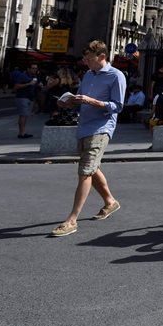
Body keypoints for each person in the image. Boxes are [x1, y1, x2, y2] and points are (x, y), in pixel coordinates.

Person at [50, 41, 126, 238]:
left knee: (85, 171)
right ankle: (110, 202)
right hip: (84, 126)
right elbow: (81, 100)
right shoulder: (88, 75)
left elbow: (118, 106)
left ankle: (72, 220)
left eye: (88, 58)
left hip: (101, 128)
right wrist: (69, 103)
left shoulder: (116, 76)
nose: (84, 61)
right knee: (92, 168)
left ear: (101, 56)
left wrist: (93, 101)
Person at [11, 62, 40, 139]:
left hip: (30, 98)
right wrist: (28, 84)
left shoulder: (35, 76)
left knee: (26, 115)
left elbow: (35, 87)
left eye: (36, 68)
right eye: (33, 68)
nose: (35, 70)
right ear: (28, 69)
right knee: (23, 115)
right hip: (22, 97)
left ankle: (23, 132)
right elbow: (16, 87)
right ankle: (22, 133)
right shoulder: (22, 76)